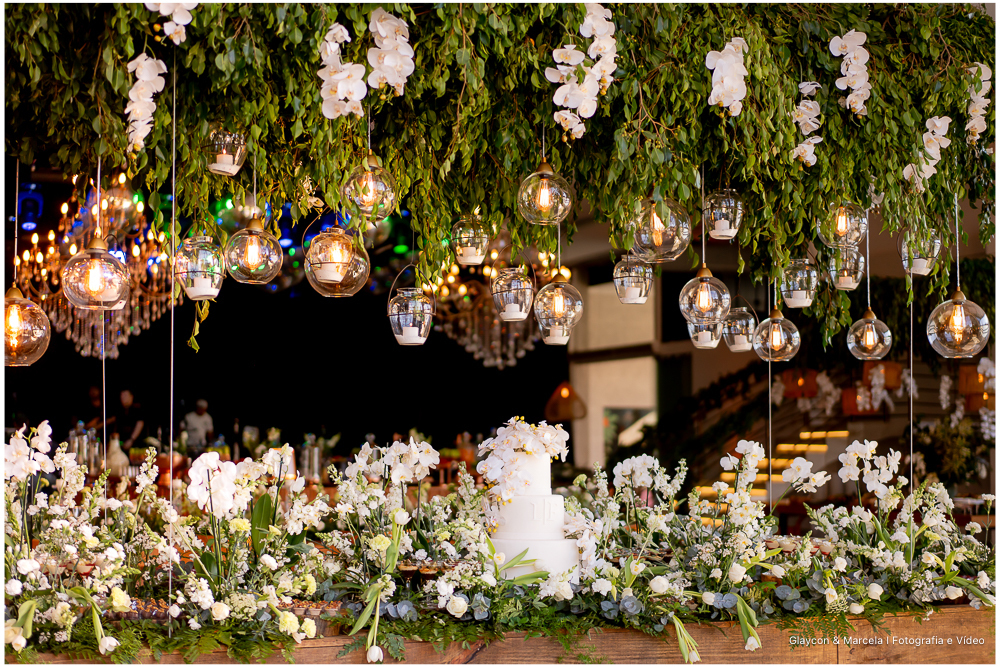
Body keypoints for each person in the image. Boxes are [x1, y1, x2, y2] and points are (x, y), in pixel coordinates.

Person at [113, 389, 145, 454]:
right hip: (122, 447)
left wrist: (131, 440)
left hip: (137, 448)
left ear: (131, 397)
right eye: (122, 396)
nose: (123, 398)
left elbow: (140, 424)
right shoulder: (121, 412)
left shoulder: (137, 409)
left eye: (125, 396)